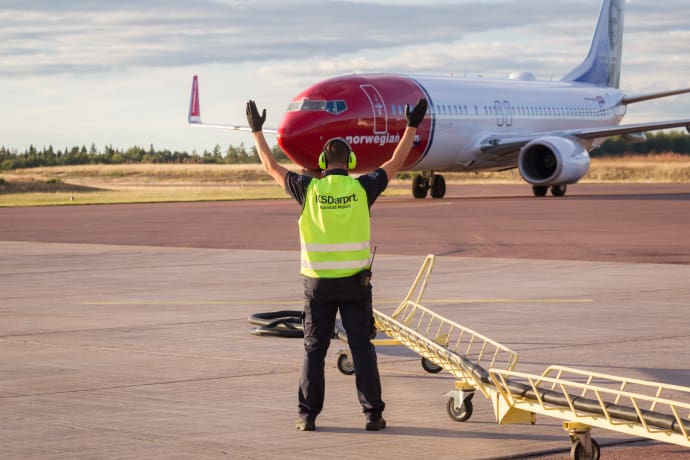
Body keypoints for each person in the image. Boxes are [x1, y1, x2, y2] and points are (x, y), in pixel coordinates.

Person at [246, 97, 428, 432]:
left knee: (314, 351)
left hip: (318, 285)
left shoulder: (308, 190)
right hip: (356, 285)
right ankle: (373, 415)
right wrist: (412, 126)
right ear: (352, 162)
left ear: (320, 162)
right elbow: (395, 161)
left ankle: (307, 416)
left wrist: (257, 131)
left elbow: (273, 167)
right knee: (362, 350)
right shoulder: (363, 188)